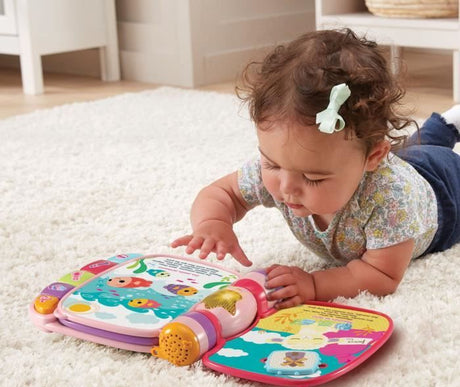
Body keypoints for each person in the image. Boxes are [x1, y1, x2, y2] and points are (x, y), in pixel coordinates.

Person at [171, 28, 460, 308]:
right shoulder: (289, 166)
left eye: (313, 178)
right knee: (413, 149)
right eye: (272, 164)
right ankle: (446, 125)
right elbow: (222, 194)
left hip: (447, 194)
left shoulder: (392, 198)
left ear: (372, 158)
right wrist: (213, 223)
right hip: (402, 161)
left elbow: (381, 276)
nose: (286, 188)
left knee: (425, 155)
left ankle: (445, 128)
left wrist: (314, 284)